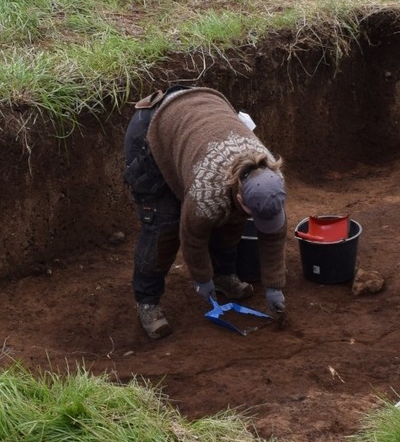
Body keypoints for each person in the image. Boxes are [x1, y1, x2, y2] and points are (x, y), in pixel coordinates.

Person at [123, 85, 288, 339]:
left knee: (232, 218)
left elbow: (274, 237)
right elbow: (192, 237)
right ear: (240, 194)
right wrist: (202, 279)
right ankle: (147, 302)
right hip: (153, 129)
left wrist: (275, 287)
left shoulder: (271, 175)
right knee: (164, 226)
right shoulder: (207, 192)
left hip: (202, 112)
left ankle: (224, 276)